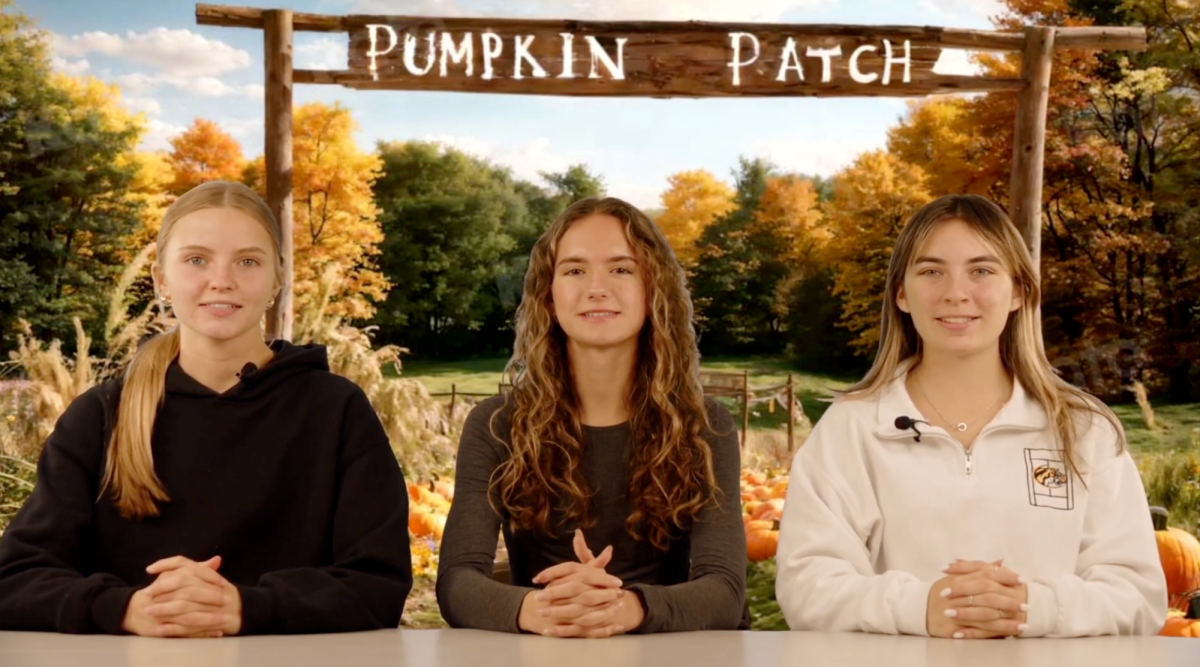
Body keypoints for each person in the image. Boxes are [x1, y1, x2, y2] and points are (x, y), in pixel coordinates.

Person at [0, 180, 412, 636]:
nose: (222, 279)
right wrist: (127, 610)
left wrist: (243, 607)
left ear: (278, 279)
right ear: (161, 279)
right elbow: (16, 581)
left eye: (248, 261)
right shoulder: (99, 416)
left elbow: (379, 584)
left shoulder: (336, 411)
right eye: (197, 259)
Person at [774, 194, 1167, 638]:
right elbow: (807, 586)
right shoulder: (852, 428)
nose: (956, 293)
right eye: (930, 271)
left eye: (981, 270)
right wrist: (921, 607)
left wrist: (1031, 608)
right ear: (901, 294)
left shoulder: (1083, 429)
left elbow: (1139, 595)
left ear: (1019, 291)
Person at [436, 197, 747, 637]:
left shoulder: (704, 425)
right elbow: (457, 583)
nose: (596, 288)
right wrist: (541, 609)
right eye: (575, 270)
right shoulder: (497, 424)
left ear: (653, 288)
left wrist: (624, 607)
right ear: (549, 291)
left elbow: (726, 591)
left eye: (621, 269)